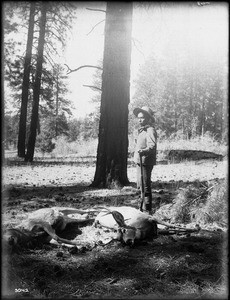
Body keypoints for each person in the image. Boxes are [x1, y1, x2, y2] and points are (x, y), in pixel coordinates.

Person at [133, 106, 157, 214]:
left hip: (146, 162)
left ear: (147, 118)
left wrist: (143, 151)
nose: (140, 120)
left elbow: (152, 146)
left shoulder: (150, 130)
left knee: (145, 187)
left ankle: (147, 210)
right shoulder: (141, 131)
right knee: (140, 185)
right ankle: (141, 208)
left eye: (142, 118)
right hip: (139, 162)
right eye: (138, 118)